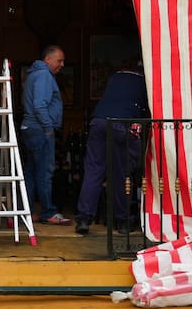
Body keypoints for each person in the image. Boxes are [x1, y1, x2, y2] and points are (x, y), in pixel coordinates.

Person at [74, 62, 149, 235]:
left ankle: (84, 219)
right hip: (124, 124)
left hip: (99, 121)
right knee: (122, 174)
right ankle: (122, 221)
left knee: (94, 171)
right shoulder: (144, 81)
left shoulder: (115, 77)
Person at [21, 45, 70, 225]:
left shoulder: (33, 74)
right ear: (47, 60)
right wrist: (49, 128)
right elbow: (39, 105)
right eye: (59, 60)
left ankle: (28, 211)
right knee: (44, 172)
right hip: (40, 130)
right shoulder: (43, 75)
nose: (62, 64)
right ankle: (48, 212)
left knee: (32, 172)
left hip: (30, 129)